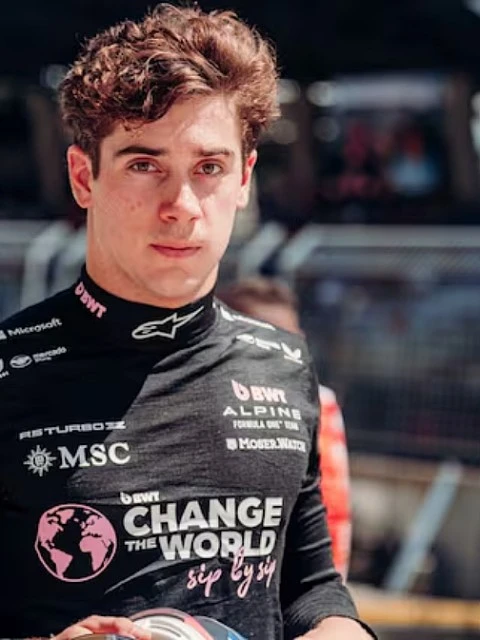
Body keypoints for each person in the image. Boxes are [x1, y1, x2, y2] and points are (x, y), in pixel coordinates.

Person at [0, 5, 374, 640]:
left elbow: (310, 587)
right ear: (84, 177)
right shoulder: (11, 373)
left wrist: (343, 631)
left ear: (244, 178)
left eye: (209, 168)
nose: (181, 206)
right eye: (144, 165)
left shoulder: (283, 366)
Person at [216, 277, 352, 580]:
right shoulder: (198, 397)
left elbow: (333, 508)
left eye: (294, 338)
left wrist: (329, 590)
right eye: (275, 338)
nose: (290, 349)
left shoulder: (318, 402)